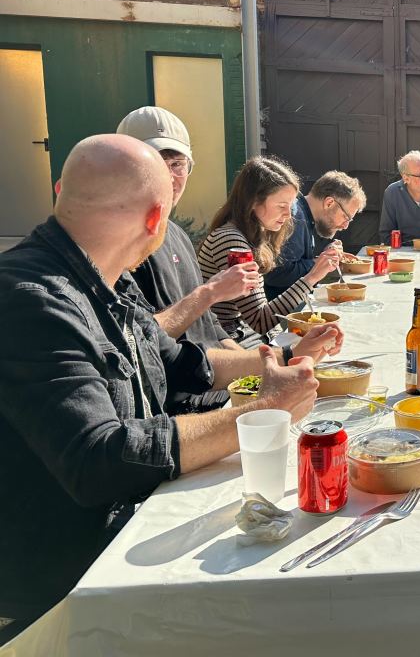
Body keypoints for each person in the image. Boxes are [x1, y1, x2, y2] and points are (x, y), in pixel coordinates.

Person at [0, 134, 341, 632]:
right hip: (75, 579)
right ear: (157, 218)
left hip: (135, 522)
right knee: (284, 603)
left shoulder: (109, 275)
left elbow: (177, 360)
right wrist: (262, 413)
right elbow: (98, 458)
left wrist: (284, 357)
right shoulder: (31, 299)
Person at [119, 107, 261, 413]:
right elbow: (139, 343)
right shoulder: (118, 246)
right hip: (177, 409)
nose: (169, 177)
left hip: (216, 387)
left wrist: (258, 367)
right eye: (156, 163)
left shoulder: (177, 234)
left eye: (177, 165)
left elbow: (209, 325)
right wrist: (211, 292)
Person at [198, 156, 342, 340]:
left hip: (243, 334)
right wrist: (312, 277)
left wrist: (281, 340)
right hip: (228, 341)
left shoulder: (251, 235)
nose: (288, 214)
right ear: (253, 202)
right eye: (282, 206)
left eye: (291, 206)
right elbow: (260, 321)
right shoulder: (232, 242)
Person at [265, 170, 366, 299]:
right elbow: (276, 275)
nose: (345, 226)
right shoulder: (295, 218)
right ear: (329, 203)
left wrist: (326, 256)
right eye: (346, 217)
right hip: (282, 309)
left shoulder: (302, 214)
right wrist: (319, 263)